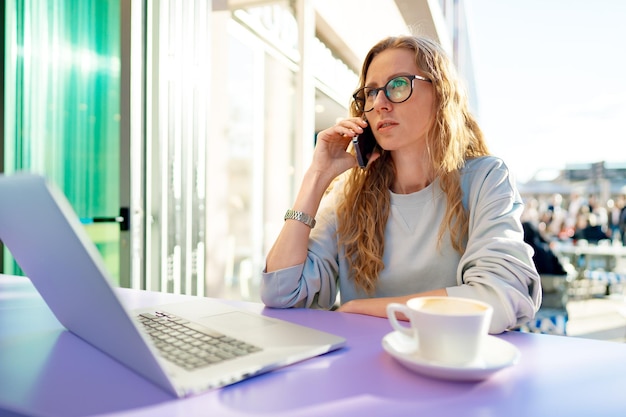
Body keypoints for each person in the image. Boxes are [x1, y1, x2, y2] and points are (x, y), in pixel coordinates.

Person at [261, 35, 541, 334]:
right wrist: (316, 178)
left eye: (397, 85)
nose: (380, 103)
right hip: (364, 370)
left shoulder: (485, 178)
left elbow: (500, 298)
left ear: (441, 93)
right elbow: (282, 294)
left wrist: (359, 310)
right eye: (370, 93)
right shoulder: (349, 194)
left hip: (453, 369)